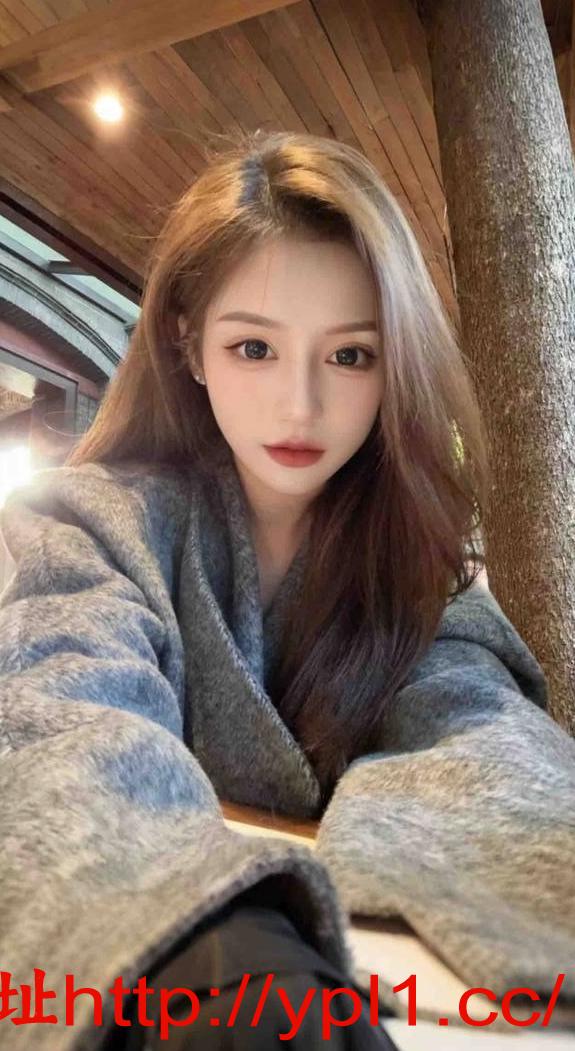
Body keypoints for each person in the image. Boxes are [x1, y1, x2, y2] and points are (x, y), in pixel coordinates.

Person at [0, 129, 574, 1050]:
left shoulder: (421, 566)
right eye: (254, 347)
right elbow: (61, 719)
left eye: (350, 357)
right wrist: (204, 943)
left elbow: (477, 732)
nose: (300, 406)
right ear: (188, 343)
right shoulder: (91, 524)